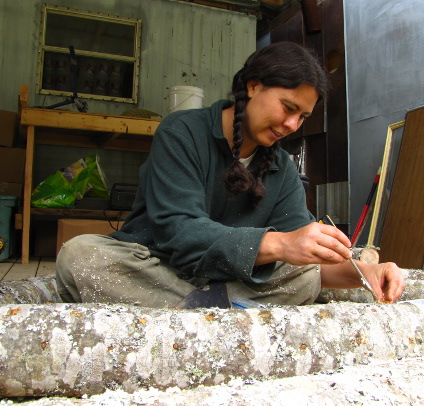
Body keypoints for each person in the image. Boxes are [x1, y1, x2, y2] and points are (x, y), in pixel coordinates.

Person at [56, 41, 405, 307]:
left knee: (304, 278)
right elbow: (181, 232)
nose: (291, 125)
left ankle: (200, 310)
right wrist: (280, 243)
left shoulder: (281, 169)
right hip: (158, 268)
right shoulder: (182, 132)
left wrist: (364, 274)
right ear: (253, 86)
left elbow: (309, 264)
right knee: (80, 255)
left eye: (302, 117)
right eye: (288, 108)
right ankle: (225, 311)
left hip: (223, 282)